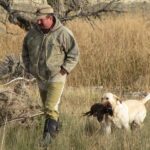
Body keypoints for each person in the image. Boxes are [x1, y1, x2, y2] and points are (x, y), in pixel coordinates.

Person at [22, 4, 79, 145]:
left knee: (50, 107)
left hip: (57, 75)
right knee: (48, 108)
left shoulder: (64, 33)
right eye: (37, 19)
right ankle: (57, 130)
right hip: (40, 76)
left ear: (50, 17)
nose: (38, 22)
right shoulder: (32, 33)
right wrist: (29, 67)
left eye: (41, 19)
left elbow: (74, 54)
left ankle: (46, 141)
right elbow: (25, 52)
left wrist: (64, 70)